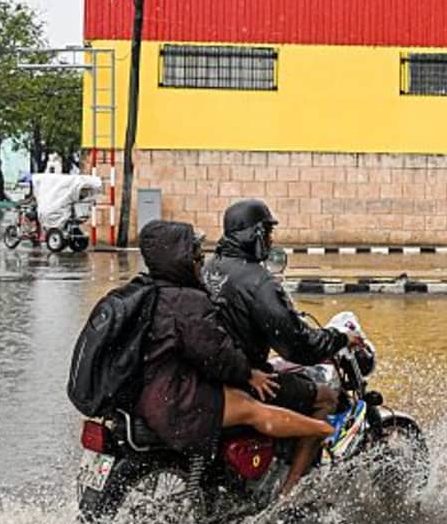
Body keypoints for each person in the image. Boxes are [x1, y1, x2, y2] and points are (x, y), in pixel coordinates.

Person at [133, 220, 335, 496]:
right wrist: (249, 373)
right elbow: (215, 351)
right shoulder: (189, 299)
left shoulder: (145, 290)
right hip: (176, 396)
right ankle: (292, 488)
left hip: (150, 390)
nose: (198, 260)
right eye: (194, 254)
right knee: (274, 405)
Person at [202, 198, 360, 491]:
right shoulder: (259, 281)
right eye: (268, 232)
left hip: (212, 374)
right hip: (245, 379)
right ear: (255, 234)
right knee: (324, 396)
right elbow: (297, 346)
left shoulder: (210, 269)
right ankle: (291, 493)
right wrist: (339, 337)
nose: (271, 239)